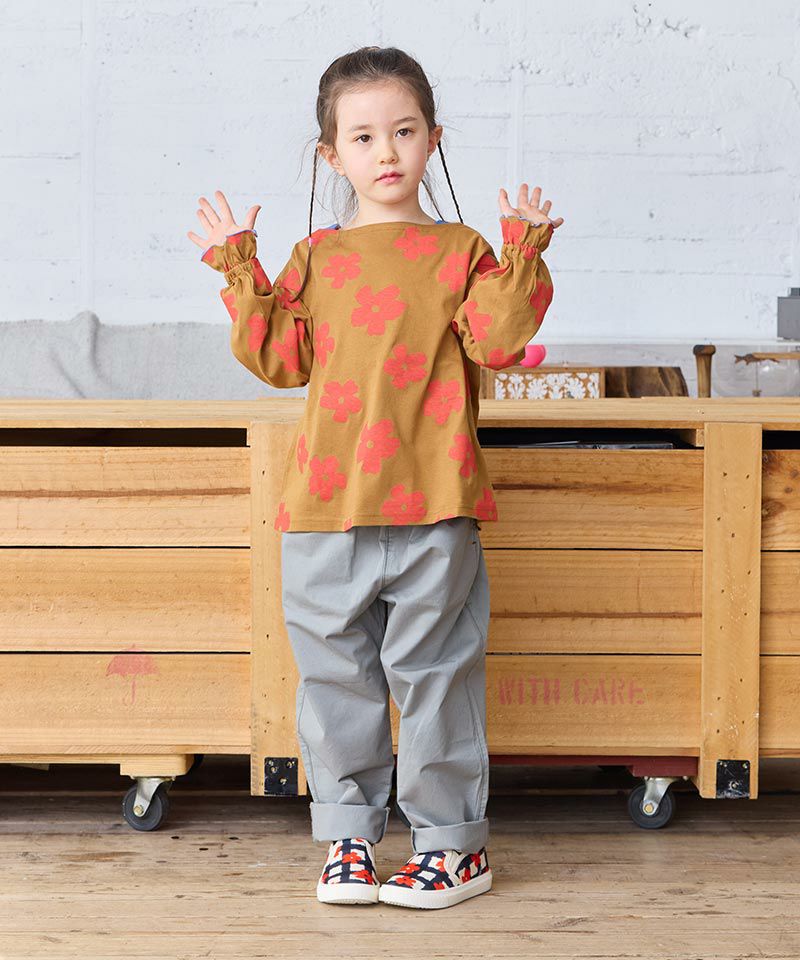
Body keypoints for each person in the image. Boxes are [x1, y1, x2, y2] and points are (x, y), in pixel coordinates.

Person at [188, 44, 563, 911]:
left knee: (437, 677)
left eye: (403, 131)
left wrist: (523, 253)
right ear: (331, 154)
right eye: (362, 137)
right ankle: (348, 841)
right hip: (326, 510)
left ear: (433, 138)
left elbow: (498, 341)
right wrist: (239, 270)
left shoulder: (463, 251)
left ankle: (452, 850)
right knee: (335, 682)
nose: (385, 151)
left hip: (436, 506)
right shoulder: (315, 257)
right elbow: (280, 360)